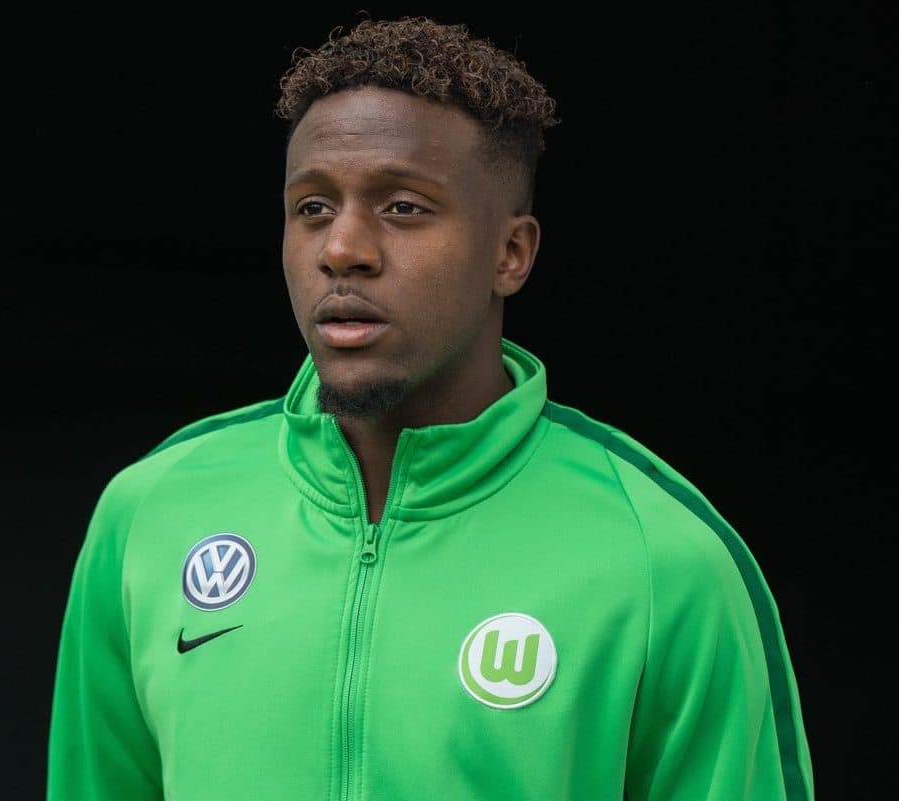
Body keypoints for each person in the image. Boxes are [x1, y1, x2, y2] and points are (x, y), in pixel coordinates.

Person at [45, 15, 814, 801]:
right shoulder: (152, 511)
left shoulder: (662, 560)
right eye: (312, 207)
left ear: (511, 254)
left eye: (403, 207)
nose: (342, 248)